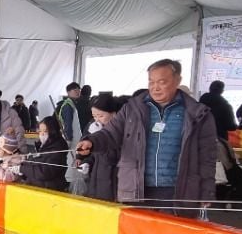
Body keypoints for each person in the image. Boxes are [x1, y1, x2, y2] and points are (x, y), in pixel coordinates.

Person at [76, 59, 217, 209]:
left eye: (162, 82)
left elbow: (207, 156)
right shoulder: (132, 108)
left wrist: (207, 191)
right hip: (136, 190)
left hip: (178, 192)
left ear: (177, 80)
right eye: (151, 82)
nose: (155, 88)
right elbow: (110, 133)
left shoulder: (197, 114)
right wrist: (91, 142)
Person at [81, 94, 122, 201]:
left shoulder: (120, 131)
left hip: (113, 183)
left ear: (113, 114)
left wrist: (99, 138)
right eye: (94, 116)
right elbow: (94, 155)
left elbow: (113, 157)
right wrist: (87, 162)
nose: (96, 121)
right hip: (97, 179)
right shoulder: (95, 128)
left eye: (100, 116)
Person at [19, 116, 69, 191]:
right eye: (40, 131)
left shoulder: (57, 148)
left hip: (50, 190)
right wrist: (24, 163)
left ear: (52, 131)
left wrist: (21, 169)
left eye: (45, 131)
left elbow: (44, 172)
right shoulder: (43, 146)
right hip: (39, 187)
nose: (42, 134)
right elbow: (36, 165)